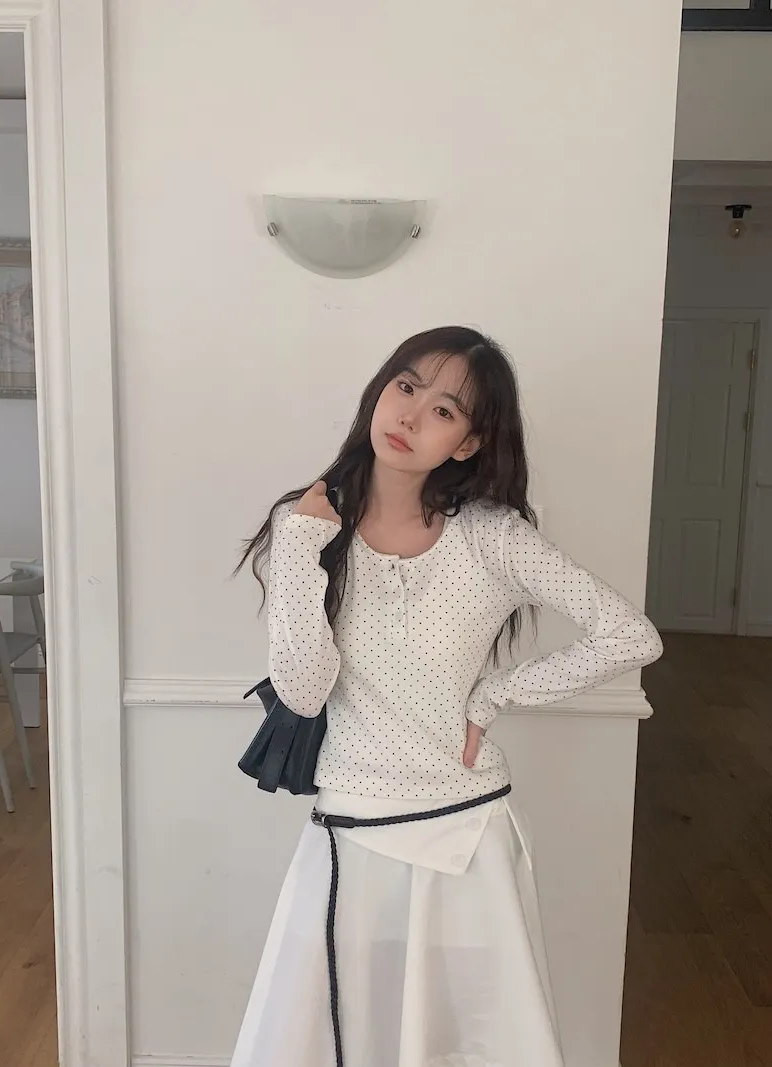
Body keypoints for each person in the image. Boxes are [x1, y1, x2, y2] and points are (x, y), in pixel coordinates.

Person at [231, 326, 662, 1067]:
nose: (410, 414)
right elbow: (302, 690)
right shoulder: (309, 524)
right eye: (405, 387)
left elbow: (631, 636)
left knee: (469, 1041)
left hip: (465, 830)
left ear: (468, 442)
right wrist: (301, 545)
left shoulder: (494, 538)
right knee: (333, 1034)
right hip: (351, 827)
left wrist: (493, 697)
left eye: (443, 410)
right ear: (379, 391)